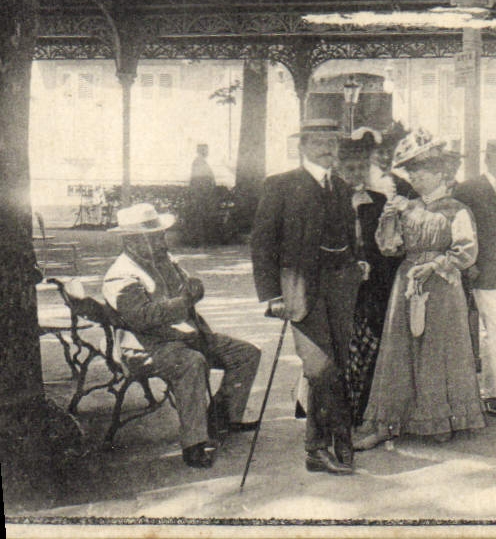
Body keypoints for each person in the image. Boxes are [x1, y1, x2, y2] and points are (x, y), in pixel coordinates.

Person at [103, 203, 261, 468]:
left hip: (181, 336)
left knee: (247, 354)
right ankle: (194, 443)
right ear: (131, 240)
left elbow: (186, 287)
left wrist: (194, 286)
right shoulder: (121, 275)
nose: (162, 240)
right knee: (191, 363)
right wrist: (184, 303)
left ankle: (221, 418)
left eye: (160, 234)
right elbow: (142, 317)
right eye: (154, 237)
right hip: (145, 347)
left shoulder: (163, 260)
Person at [356, 131, 486, 447]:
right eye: (411, 171)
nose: (415, 177)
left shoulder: (457, 209)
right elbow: (389, 249)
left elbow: (467, 250)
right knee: (401, 349)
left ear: (441, 172)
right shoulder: (406, 207)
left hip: (442, 285)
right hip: (408, 280)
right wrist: (388, 220)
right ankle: (387, 423)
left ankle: (439, 419)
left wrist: (438, 264)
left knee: (438, 348)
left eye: (422, 170)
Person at [252, 118, 363, 475]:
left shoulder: (341, 187)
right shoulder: (281, 185)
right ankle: (316, 448)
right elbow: (262, 243)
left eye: (333, 142)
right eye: (319, 142)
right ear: (303, 146)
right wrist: (271, 295)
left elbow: (349, 233)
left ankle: (340, 438)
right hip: (300, 290)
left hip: (341, 288)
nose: (329, 148)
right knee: (320, 368)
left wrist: (357, 262)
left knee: (341, 366)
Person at [341, 130, 403, 423]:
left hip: (373, 287)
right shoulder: (333, 201)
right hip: (342, 288)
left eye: (361, 168)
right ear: (339, 169)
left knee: (372, 345)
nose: (356, 174)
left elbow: (387, 245)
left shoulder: (378, 201)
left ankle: (366, 408)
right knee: (345, 348)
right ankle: (342, 411)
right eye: (349, 168)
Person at [452, 141, 496, 417]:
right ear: (487, 159)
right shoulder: (470, 188)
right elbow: (462, 229)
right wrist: (470, 266)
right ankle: (493, 394)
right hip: (486, 268)